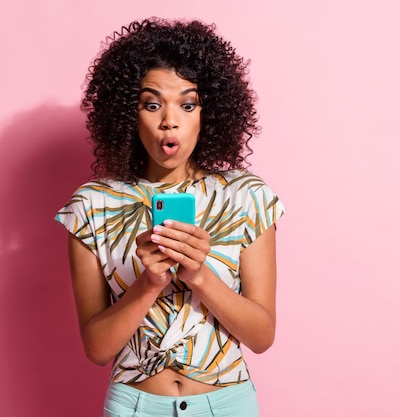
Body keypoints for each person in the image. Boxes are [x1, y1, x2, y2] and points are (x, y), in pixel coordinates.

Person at [55, 17, 285, 417]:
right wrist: (148, 284)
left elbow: (262, 336)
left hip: (227, 405)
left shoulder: (246, 197)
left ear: (207, 113)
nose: (169, 120)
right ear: (130, 113)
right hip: (135, 406)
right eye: (152, 103)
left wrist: (199, 276)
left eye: (188, 103)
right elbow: (96, 348)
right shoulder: (91, 205)